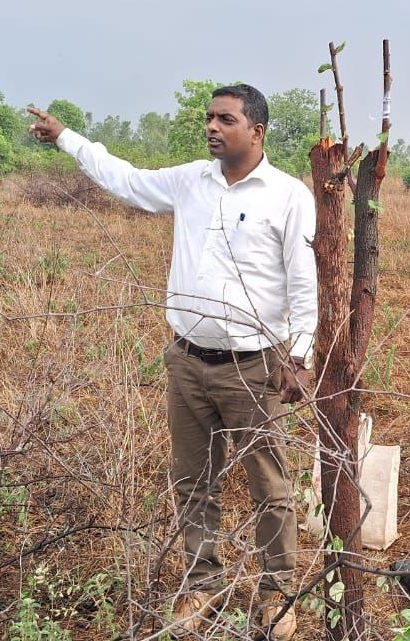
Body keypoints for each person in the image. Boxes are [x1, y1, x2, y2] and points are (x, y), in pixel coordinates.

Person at [29, 84, 315, 639]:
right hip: (186, 360)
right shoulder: (190, 180)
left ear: (256, 131)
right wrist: (68, 138)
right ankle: (201, 585)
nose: (212, 127)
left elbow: (303, 287)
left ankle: (277, 594)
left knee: (271, 486)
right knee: (192, 480)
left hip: (256, 368)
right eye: (209, 118)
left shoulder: (288, 195)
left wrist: (298, 357)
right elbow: (128, 181)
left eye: (225, 119)